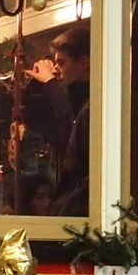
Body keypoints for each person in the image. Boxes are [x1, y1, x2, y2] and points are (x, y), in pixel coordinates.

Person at [49, 24, 90, 216]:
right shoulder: (79, 102)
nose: (55, 70)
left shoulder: (92, 109)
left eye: (62, 63)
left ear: (84, 63)